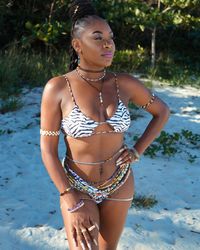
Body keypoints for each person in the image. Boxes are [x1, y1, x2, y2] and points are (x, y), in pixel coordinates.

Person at [40, 0, 170, 249]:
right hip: (78, 187)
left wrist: (137, 150)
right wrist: (70, 198)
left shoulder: (124, 83)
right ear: (77, 45)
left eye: (110, 37)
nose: (108, 43)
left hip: (120, 182)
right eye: (97, 37)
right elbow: (48, 150)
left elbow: (162, 111)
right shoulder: (57, 88)